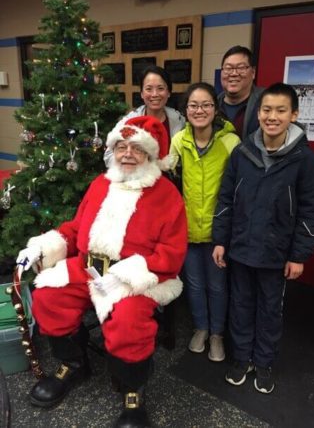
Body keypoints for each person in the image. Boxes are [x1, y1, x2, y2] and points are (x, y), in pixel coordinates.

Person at [16, 116, 188, 428]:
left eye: (136, 148)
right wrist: (42, 248)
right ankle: (74, 363)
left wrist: (127, 275)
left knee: (128, 322)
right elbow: (76, 228)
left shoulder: (167, 195)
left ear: (150, 156)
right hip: (88, 267)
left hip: (136, 279)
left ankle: (133, 389)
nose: (127, 154)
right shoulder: (101, 184)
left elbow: (172, 254)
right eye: (121, 147)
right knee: (48, 297)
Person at [212, 83, 314, 393]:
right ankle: (242, 357)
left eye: (280, 110)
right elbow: (225, 199)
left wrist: (299, 254)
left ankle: (264, 361)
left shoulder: (305, 159)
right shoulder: (242, 152)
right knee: (241, 305)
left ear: (294, 115)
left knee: (270, 309)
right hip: (241, 248)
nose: (272, 116)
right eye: (266, 110)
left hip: (277, 253)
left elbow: (312, 210)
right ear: (258, 113)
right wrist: (221, 240)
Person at [170, 82, 240, 362]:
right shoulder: (179, 141)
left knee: (217, 286)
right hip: (187, 230)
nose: (200, 110)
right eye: (193, 105)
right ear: (186, 110)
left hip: (218, 232)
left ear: (215, 108)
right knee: (195, 285)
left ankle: (217, 335)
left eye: (206, 105)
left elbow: (239, 188)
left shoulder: (230, 142)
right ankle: (200, 328)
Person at [104, 65, 185, 167]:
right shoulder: (129, 122)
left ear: (168, 92)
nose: (154, 94)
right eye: (149, 89)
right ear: (142, 93)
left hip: (170, 181)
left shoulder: (179, 121)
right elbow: (108, 155)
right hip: (137, 180)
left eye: (160, 88)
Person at [218, 45, 264, 139]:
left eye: (241, 68)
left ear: (253, 73)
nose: (234, 73)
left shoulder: (266, 102)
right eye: (228, 68)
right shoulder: (212, 104)